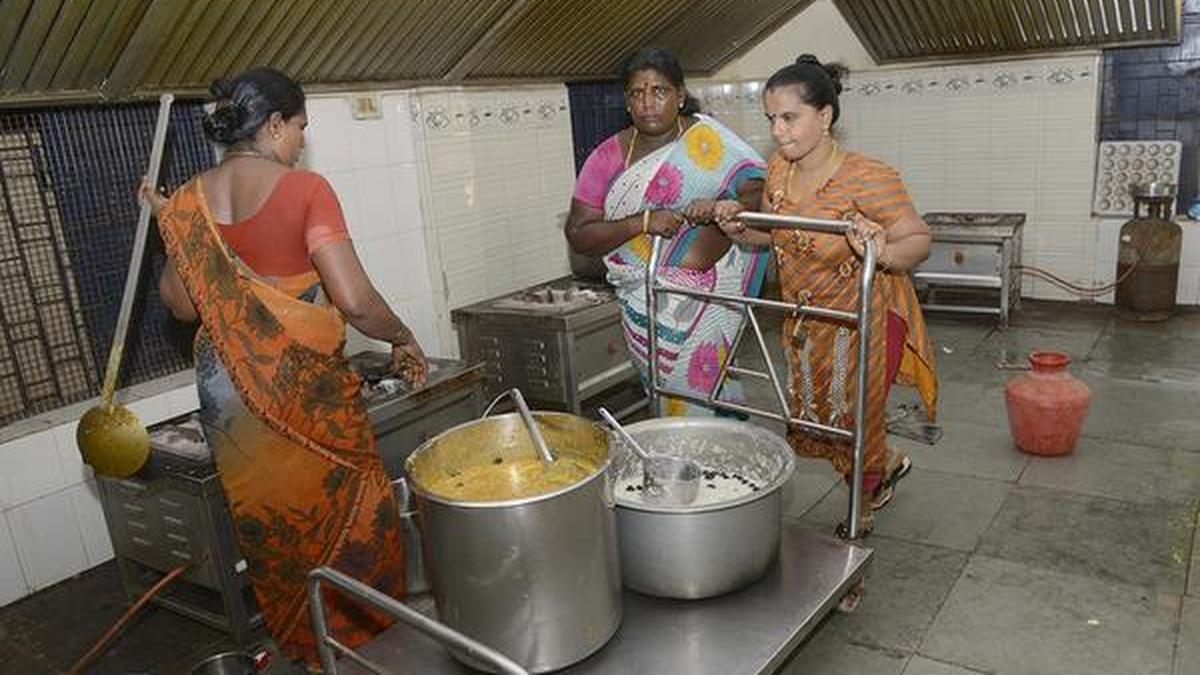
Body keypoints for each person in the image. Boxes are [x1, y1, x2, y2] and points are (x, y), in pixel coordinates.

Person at [141, 68, 427, 668]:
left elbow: (182, 306)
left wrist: (173, 227)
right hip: (305, 397)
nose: (300, 141)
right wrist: (402, 336)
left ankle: (305, 648)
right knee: (350, 518)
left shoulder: (187, 201)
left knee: (275, 531)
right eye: (299, 127)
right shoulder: (306, 190)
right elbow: (354, 300)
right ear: (274, 124)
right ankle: (368, 647)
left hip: (233, 407)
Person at [717, 55, 938, 536]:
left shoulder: (867, 176)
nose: (777, 131)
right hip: (808, 318)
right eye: (771, 118)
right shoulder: (778, 170)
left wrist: (878, 250)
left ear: (825, 116)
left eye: (789, 117)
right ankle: (887, 464)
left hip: (868, 319)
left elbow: (918, 240)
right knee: (822, 416)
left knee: (857, 415)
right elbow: (775, 235)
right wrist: (740, 228)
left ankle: (861, 510)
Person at [566, 47, 770, 416]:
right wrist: (643, 221)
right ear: (627, 102)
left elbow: (757, 189)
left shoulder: (709, 139)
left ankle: (721, 446)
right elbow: (579, 233)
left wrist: (724, 206)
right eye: (637, 93)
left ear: (679, 95)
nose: (647, 103)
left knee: (709, 388)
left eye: (659, 91)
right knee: (668, 399)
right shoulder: (607, 157)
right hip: (643, 301)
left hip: (709, 301)